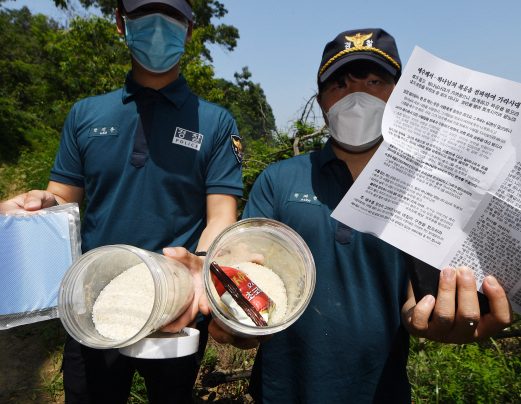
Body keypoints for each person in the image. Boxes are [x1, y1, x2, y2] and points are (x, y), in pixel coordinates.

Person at [204, 28, 514, 403]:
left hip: (380, 391)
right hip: (282, 390)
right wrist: (232, 313)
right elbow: (250, 268)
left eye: (373, 81)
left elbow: (415, 299)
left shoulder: (428, 191)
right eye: (340, 85)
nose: (357, 97)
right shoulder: (279, 179)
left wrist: (431, 314)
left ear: (401, 95)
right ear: (321, 102)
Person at [5, 0, 243, 402]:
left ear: (188, 30)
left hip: (177, 304)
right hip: (95, 300)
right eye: (144, 12)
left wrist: (197, 267)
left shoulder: (216, 123)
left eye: (171, 16)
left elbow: (220, 216)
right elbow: (63, 197)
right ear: (120, 22)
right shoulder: (85, 113)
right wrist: (42, 202)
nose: (157, 27)